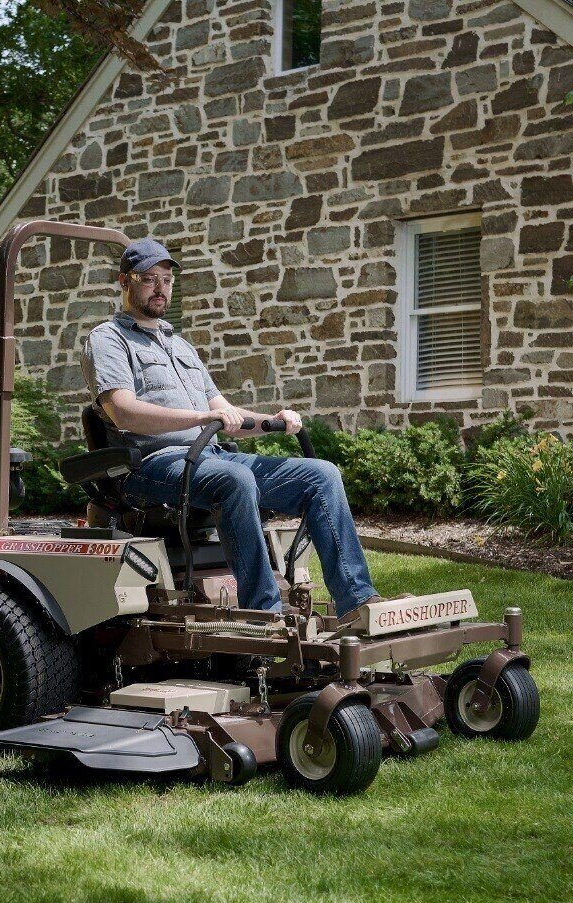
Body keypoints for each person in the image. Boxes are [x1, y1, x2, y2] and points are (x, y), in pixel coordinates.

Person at [80, 237, 388, 625]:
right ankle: (263, 613)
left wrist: (272, 420)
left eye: (168, 279)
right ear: (125, 282)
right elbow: (122, 412)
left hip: (211, 457)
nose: (161, 287)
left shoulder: (181, 347)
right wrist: (198, 421)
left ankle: (358, 603)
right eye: (149, 278)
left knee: (322, 475)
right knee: (235, 478)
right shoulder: (108, 339)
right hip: (151, 467)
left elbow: (223, 413)